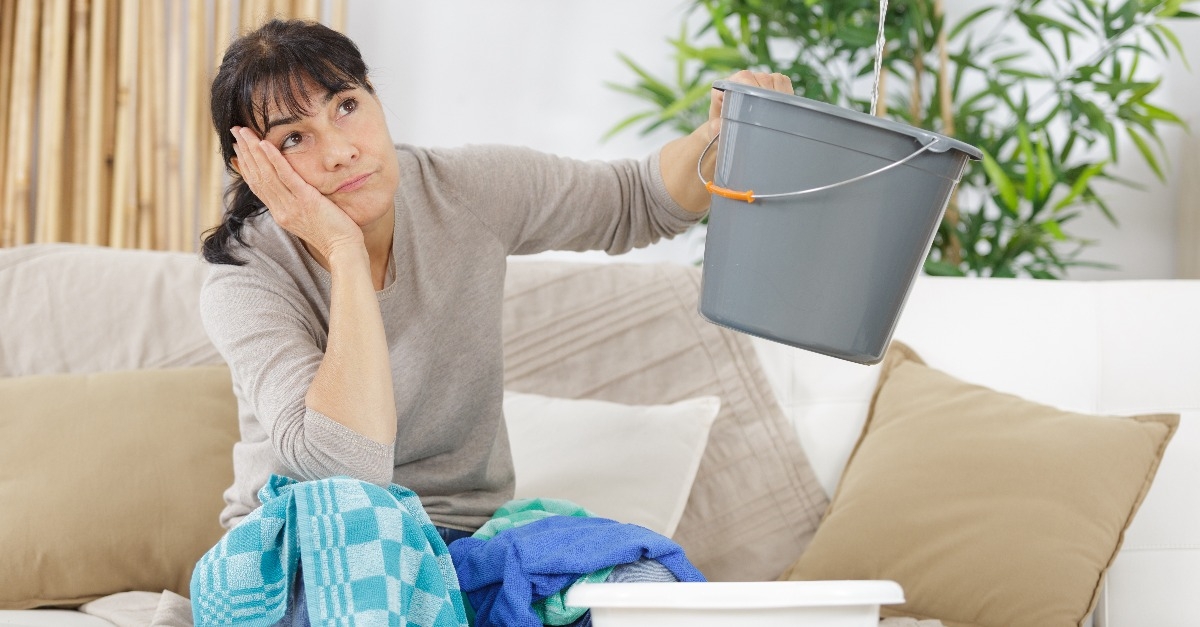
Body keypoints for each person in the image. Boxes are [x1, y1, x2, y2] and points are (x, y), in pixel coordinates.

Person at [195, 17, 792, 626]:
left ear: (374, 96)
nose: (340, 150)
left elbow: (635, 201)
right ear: (254, 169)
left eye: (346, 106)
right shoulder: (245, 278)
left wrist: (722, 135)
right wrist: (343, 254)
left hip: (463, 544)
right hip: (306, 559)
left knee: (644, 583)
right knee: (360, 524)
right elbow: (350, 470)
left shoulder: (464, 190)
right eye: (294, 139)